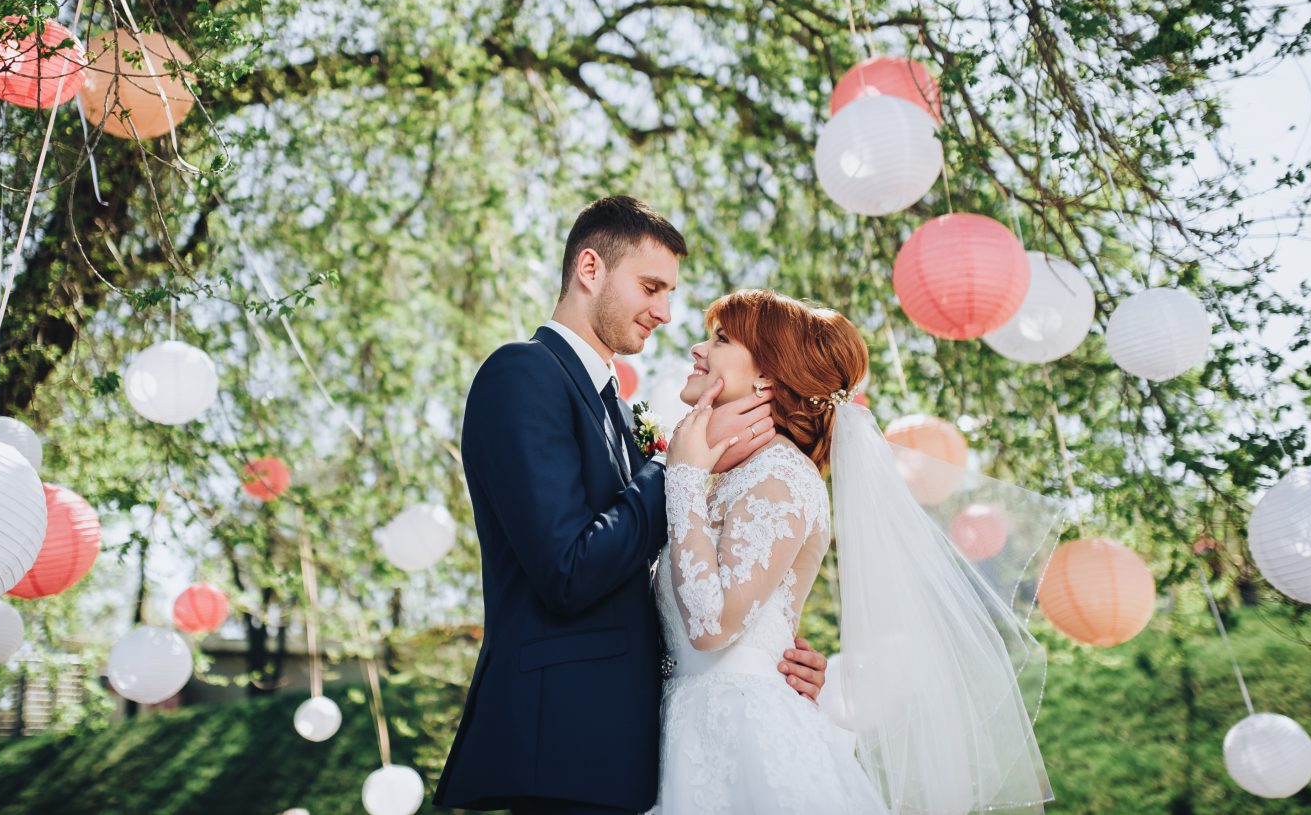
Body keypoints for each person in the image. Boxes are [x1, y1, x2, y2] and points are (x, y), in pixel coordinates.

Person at [434, 198, 829, 815]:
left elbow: (664, 574)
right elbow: (567, 570)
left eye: (670, 292)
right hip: (563, 745)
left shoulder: (621, 413)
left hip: (644, 749)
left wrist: (766, 653)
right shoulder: (523, 374)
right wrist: (678, 469)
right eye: (651, 287)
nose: (666, 313)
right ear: (589, 268)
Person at [653, 290, 1053, 815]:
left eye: (721, 339)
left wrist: (682, 473)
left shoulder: (779, 475)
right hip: (686, 728)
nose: (697, 349)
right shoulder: (719, 474)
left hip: (738, 736)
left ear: (766, 379)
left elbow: (709, 624)